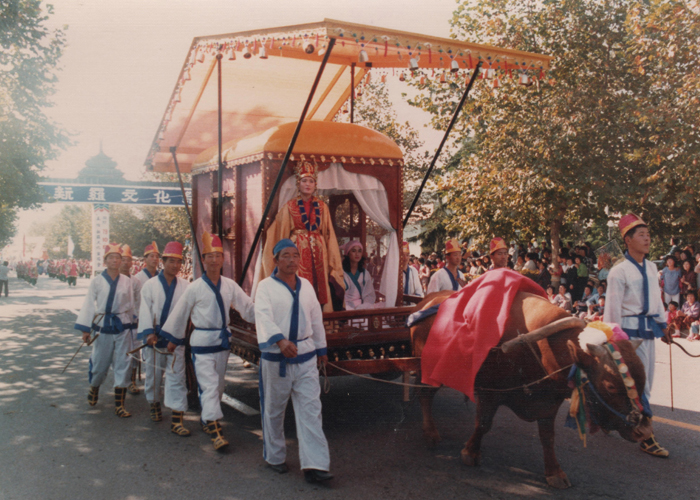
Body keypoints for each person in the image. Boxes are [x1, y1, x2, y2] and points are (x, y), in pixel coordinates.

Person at [161, 232, 255, 450]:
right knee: (210, 386)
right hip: (202, 342)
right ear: (203, 260)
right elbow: (180, 314)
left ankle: (206, 418)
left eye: (217, 256)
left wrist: (266, 316)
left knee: (219, 385)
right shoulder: (194, 288)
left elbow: (248, 308)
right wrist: (173, 339)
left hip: (221, 341)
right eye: (209, 256)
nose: (213, 260)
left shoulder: (230, 285)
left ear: (223, 259)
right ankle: (215, 430)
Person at [254, 239, 333, 484]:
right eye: (285, 256)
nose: (291, 260)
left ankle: (315, 465)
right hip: (276, 357)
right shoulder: (265, 287)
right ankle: (275, 457)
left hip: (306, 355)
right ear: (276, 260)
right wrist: (280, 341)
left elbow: (316, 318)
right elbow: (263, 317)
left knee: (311, 410)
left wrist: (322, 349)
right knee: (275, 410)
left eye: (295, 255)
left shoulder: (307, 285)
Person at [604, 213, 669, 458]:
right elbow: (612, 310)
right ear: (627, 240)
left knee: (646, 380)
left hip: (649, 330)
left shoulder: (652, 267)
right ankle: (646, 436)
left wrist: (664, 326)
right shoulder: (618, 272)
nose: (647, 239)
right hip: (628, 334)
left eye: (648, 235)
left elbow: (658, 301)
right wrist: (615, 340)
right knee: (638, 385)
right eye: (641, 235)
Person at [260, 160, 344, 312]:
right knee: (299, 284)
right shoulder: (290, 206)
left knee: (321, 287)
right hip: (298, 250)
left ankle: (322, 321)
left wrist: (333, 260)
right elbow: (280, 231)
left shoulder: (322, 206)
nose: (308, 184)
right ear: (298, 184)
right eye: (304, 180)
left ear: (315, 184)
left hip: (319, 252)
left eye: (311, 181)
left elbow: (328, 234)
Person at [74, 243, 136, 418]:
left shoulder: (127, 281)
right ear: (105, 261)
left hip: (122, 325)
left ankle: (120, 404)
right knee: (101, 363)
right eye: (111, 258)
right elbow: (88, 304)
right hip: (103, 325)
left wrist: (133, 324)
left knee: (123, 363)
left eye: (118, 258)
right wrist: (85, 330)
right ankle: (94, 386)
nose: (115, 260)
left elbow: (131, 305)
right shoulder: (97, 281)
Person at [136, 242, 191, 435]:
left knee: (177, 377)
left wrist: (177, 338)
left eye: (178, 262)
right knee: (154, 375)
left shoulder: (186, 286)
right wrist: (148, 332)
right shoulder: (150, 286)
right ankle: (154, 402)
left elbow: (186, 314)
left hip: (176, 339)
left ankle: (177, 419)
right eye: (171, 262)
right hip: (155, 337)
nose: (175, 266)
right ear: (163, 262)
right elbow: (145, 311)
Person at [119, 244, 142, 396]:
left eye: (129, 260)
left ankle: (132, 381)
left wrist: (138, 318)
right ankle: (119, 381)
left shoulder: (135, 281)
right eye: (124, 260)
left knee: (135, 353)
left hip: (133, 323)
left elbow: (139, 302)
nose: (127, 263)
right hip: (117, 324)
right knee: (118, 355)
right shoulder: (112, 280)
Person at [342, 241, 377, 310]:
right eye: (353, 251)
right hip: (344, 308)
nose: (357, 254)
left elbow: (369, 295)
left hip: (361, 308)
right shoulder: (341, 273)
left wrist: (363, 306)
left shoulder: (365, 273)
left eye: (359, 251)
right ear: (347, 253)